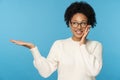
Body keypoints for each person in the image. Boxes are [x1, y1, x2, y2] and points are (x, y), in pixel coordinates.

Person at [11, 1, 102, 80]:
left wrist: (82, 45)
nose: (79, 27)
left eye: (83, 23)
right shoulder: (59, 45)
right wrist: (33, 49)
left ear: (88, 25)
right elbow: (45, 72)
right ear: (69, 23)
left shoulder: (96, 45)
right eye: (74, 23)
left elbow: (94, 71)